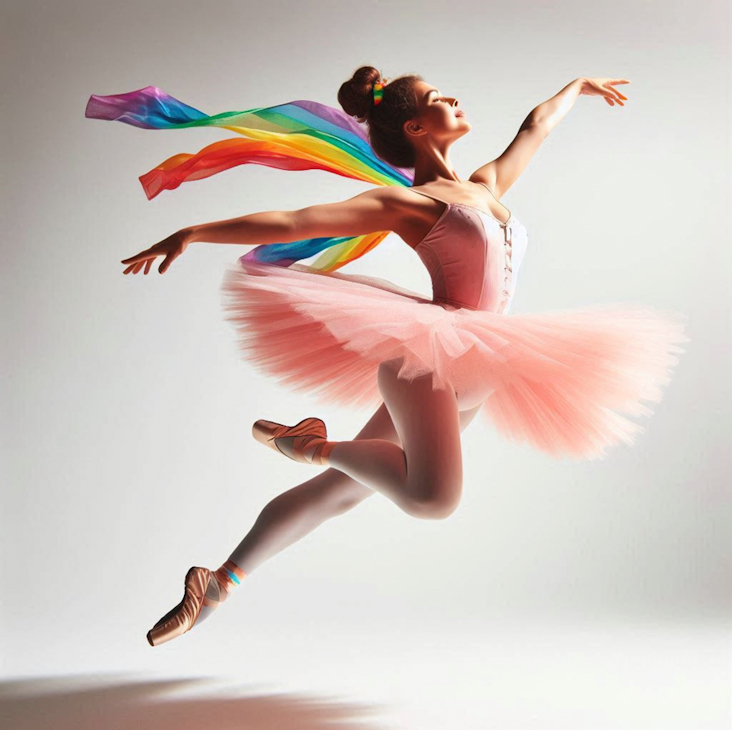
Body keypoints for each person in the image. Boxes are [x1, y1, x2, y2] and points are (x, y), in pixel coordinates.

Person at [87, 67, 688, 646]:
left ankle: (218, 582)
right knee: (432, 499)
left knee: (339, 493)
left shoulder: (485, 186)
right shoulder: (409, 204)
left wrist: (578, 86)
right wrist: (193, 233)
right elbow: (295, 220)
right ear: (415, 129)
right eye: (437, 97)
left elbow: (534, 127)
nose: (454, 98)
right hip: (429, 361)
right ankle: (306, 443)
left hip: (482, 363)